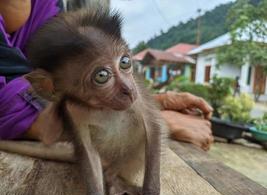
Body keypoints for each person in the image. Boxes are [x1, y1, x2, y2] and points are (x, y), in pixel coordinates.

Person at [0, 0, 213, 150]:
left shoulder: (48, 7)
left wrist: (153, 102)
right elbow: (13, 106)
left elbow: (68, 86)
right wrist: (149, 123)